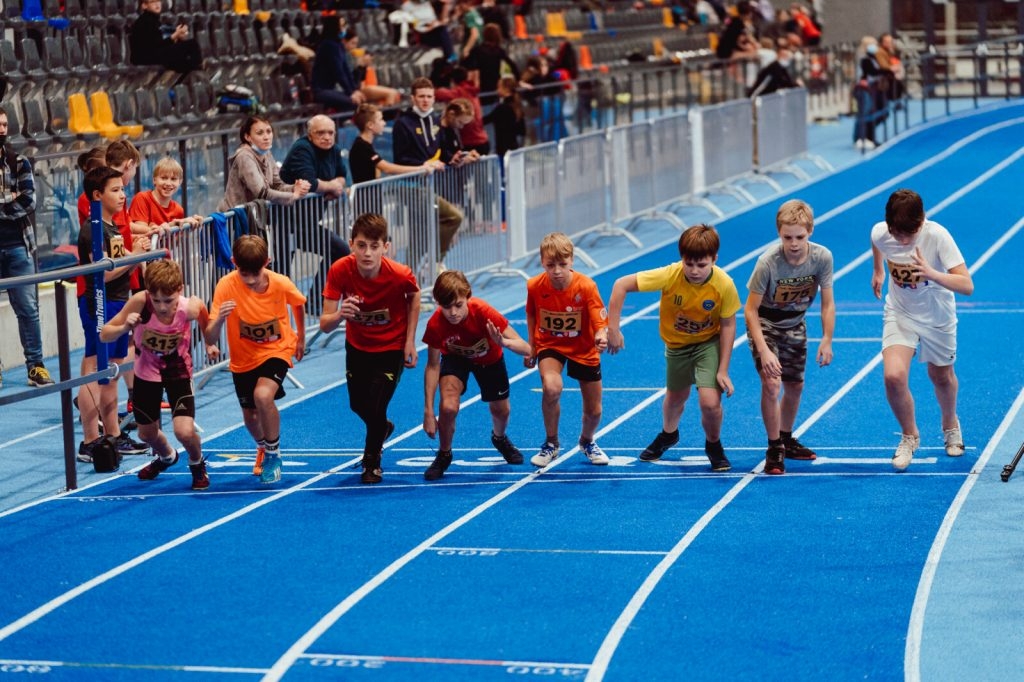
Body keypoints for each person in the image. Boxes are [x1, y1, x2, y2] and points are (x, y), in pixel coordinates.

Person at [606, 224, 739, 471]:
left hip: (707, 344)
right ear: (681, 259)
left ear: (714, 259)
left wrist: (723, 369)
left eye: (702, 265)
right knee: (676, 397)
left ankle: (714, 445)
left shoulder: (724, 285)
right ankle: (669, 434)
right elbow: (620, 285)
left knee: (709, 402)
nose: (695, 271)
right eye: (689, 264)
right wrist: (613, 329)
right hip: (676, 346)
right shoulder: (670, 275)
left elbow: (729, 325)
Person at [870, 189, 972, 471]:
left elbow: (967, 285)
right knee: (893, 376)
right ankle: (909, 436)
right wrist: (878, 270)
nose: (902, 240)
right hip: (900, 312)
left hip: (937, 316)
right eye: (896, 233)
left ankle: (950, 424)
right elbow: (877, 242)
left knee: (940, 376)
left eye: (909, 234)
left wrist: (933, 274)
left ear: (922, 221)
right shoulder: (882, 233)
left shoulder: (937, 236)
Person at [319, 213, 420, 484]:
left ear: (385, 247)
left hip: (390, 348)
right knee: (357, 405)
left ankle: (372, 461)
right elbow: (325, 324)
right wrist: (341, 314)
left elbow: (414, 296)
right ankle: (382, 428)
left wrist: (410, 340)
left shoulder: (399, 274)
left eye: (374, 246)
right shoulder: (340, 270)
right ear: (351, 244)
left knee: (376, 406)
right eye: (361, 245)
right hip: (358, 347)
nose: (367, 253)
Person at [99, 259, 215, 489]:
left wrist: (211, 345)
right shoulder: (139, 302)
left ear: (179, 291)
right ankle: (167, 457)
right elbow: (104, 334)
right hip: (146, 374)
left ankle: (196, 462)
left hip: (178, 373)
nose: (162, 306)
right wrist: (124, 328)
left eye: (168, 300)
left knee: (184, 431)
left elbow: (209, 332)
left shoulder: (191, 307)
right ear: (148, 293)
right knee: (146, 435)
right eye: (157, 300)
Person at [205, 234, 307, 484]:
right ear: (233, 262)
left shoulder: (280, 283)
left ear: (268, 262)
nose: (250, 280)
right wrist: (218, 320)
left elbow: (298, 304)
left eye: (256, 273)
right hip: (243, 358)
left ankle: (274, 454)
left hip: (277, 348)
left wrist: (301, 338)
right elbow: (209, 335)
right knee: (250, 417)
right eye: (244, 273)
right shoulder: (225, 286)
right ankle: (263, 446)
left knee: (263, 396)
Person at [744, 200, 834, 475]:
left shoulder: (822, 258)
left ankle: (786, 437)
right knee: (771, 384)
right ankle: (774, 447)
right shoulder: (767, 263)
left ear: (810, 232)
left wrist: (827, 339)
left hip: (796, 323)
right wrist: (764, 350)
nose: (793, 244)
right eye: (787, 237)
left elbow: (827, 303)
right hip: (766, 324)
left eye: (800, 237)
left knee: (794, 386)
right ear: (779, 234)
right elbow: (749, 310)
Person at [421, 270, 531, 480]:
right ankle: (444, 454)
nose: (453, 312)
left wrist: (504, 343)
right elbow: (433, 366)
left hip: (489, 359)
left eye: (458, 305)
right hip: (456, 359)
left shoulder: (483, 312)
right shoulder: (435, 324)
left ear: (467, 297)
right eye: (446, 307)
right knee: (448, 406)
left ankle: (499, 438)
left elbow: (525, 347)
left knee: (501, 410)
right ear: (437, 303)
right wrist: (428, 411)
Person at [75, 166, 152, 463]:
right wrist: (134, 258)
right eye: (116, 190)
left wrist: (133, 257)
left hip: (119, 301)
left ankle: (113, 434)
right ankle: (90, 440)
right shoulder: (91, 229)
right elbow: (102, 276)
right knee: (97, 368)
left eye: (123, 188)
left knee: (115, 369)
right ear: (98, 195)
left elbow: (118, 264)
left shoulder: (112, 226)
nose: (123, 195)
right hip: (100, 303)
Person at [525, 232, 610, 468]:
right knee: (552, 388)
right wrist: (532, 345)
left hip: (583, 347)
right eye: (550, 265)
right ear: (542, 262)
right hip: (550, 345)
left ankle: (587, 441)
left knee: (594, 411)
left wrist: (601, 336)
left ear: (572, 260)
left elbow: (600, 321)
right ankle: (551, 443)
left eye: (562, 264)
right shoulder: (534, 286)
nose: (557, 270)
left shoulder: (586, 286)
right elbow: (531, 312)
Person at [0, 106, 54, 389]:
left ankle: (35, 366)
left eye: (5, 124)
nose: (2, 129)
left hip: (19, 244)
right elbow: (15, 203)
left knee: (28, 309)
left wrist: (8, 201)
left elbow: (28, 202)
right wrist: (9, 199)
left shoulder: (19, 161)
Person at [279, 114, 353, 307]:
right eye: (321, 133)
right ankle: (272, 313)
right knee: (281, 271)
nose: (327, 137)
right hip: (287, 222)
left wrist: (333, 186)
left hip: (309, 223)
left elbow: (343, 176)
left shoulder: (334, 150)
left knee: (340, 250)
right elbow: (309, 183)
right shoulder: (301, 149)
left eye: (330, 133)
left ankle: (315, 301)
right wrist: (331, 186)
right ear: (310, 135)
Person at [391, 78, 464, 266]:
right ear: (413, 98)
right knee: (441, 222)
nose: (425, 100)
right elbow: (400, 157)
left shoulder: (435, 120)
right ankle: (430, 263)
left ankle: (421, 267)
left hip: (429, 184)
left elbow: (440, 151)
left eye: (429, 96)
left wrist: (453, 159)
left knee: (421, 231)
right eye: (421, 96)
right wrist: (423, 165)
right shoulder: (402, 123)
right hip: (410, 185)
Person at [218, 116, 311, 212]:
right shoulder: (244, 156)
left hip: (252, 217)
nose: (266, 137)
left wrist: (294, 188)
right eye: (260, 133)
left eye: (269, 131)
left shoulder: (267, 153)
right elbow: (261, 192)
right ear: (247, 137)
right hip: (235, 218)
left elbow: (277, 185)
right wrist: (293, 196)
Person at [349, 103, 446, 185]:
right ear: (370, 125)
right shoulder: (361, 146)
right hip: (365, 201)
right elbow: (387, 169)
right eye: (381, 119)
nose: (384, 123)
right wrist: (421, 168)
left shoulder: (366, 145)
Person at [128, 157, 203, 240]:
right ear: (154, 180)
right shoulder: (142, 198)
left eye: (173, 179)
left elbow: (174, 242)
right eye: (164, 178)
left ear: (180, 182)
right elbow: (141, 234)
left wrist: (189, 227)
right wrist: (171, 225)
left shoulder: (178, 210)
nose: (168, 183)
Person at [127, 0, 202, 80]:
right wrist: (175, 36)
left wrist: (177, 37)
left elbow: (160, 45)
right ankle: (196, 71)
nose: (157, 4)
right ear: (144, 6)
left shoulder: (154, 20)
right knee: (192, 45)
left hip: (153, 54)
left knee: (183, 57)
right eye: (152, 2)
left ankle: (191, 74)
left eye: (158, 1)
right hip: (146, 57)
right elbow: (156, 46)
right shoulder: (145, 21)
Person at [310, 14, 366, 113]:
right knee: (352, 102)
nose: (344, 28)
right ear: (334, 27)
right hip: (321, 90)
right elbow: (338, 72)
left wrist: (354, 90)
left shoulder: (339, 45)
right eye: (342, 26)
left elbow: (346, 70)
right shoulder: (328, 45)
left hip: (331, 89)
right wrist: (350, 93)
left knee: (360, 99)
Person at [435, 67, 491, 156]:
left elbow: (437, 93)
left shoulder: (458, 92)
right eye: (460, 123)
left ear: (453, 80)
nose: (461, 126)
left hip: (470, 142)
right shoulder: (472, 90)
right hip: (483, 139)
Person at [853, 35, 891, 150]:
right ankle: (860, 137)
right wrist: (888, 70)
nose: (876, 47)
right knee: (865, 111)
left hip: (872, 88)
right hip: (863, 88)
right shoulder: (863, 59)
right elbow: (871, 71)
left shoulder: (873, 58)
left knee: (873, 112)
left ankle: (869, 136)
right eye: (872, 45)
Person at [483, 75, 526, 157]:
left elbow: (487, 119)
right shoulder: (517, 105)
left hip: (504, 149)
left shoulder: (502, 108)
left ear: (506, 89)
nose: (497, 90)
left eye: (499, 87)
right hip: (514, 147)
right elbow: (522, 130)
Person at [437, 98, 482, 166]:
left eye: (464, 124)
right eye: (460, 122)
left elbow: (457, 152)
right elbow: (440, 154)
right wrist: (459, 160)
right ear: (451, 114)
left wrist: (466, 155)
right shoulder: (435, 129)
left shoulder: (454, 130)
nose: (461, 127)